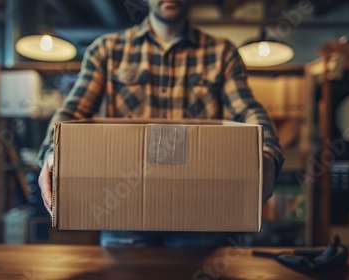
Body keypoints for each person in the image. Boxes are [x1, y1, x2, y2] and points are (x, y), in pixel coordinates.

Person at [37, 0, 284, 248]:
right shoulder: (107, 49)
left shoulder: (221, 52)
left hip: (201, 215)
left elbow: (247, 109)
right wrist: (52, 152)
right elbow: (72, 111)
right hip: (124, 214)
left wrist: (268, 154)